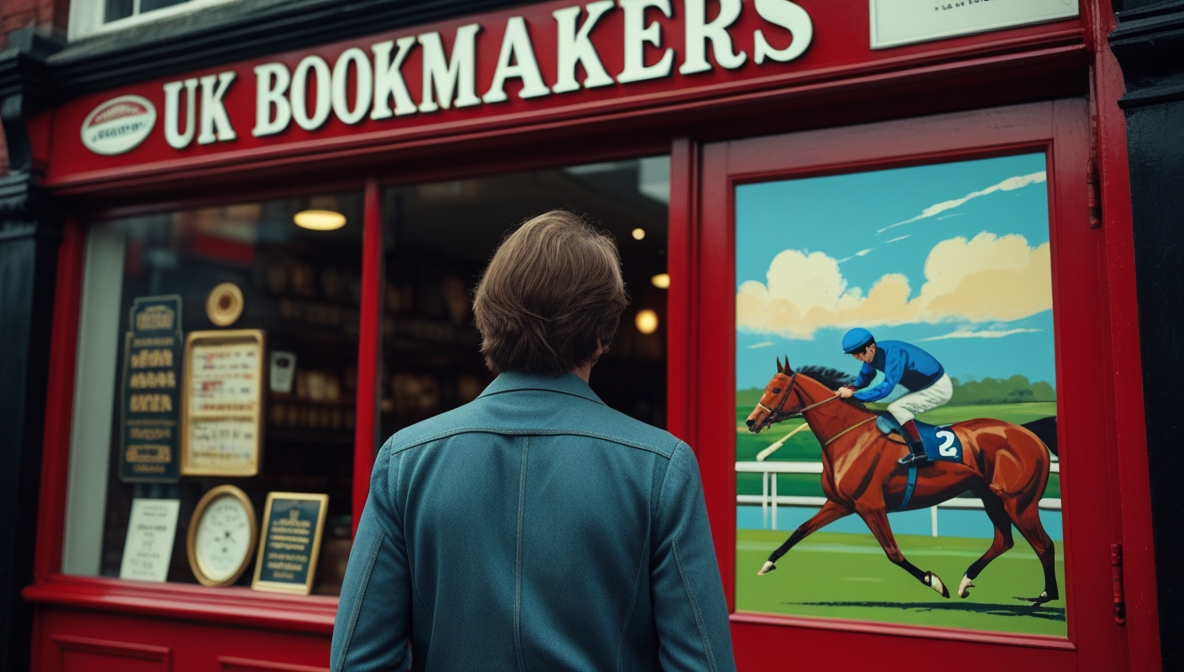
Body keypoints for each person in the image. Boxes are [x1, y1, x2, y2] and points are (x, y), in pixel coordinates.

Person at [330, 211, 734, 671]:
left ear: (488, 318)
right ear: (603, 334)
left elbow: (356, 662)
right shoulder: (660, 467)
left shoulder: (405, 460)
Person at [836, 328, 952, 466]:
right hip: (922, 387)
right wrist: (850, 388)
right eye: (854, 355)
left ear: (871, 347)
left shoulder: (895, 354)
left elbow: (886, 388)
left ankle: (920, 452)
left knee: (896, 408)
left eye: (859, 354)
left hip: (937, 387)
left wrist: (855, 395)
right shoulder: (871, 356)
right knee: (892, 412)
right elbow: (864, 379)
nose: (858, 358)